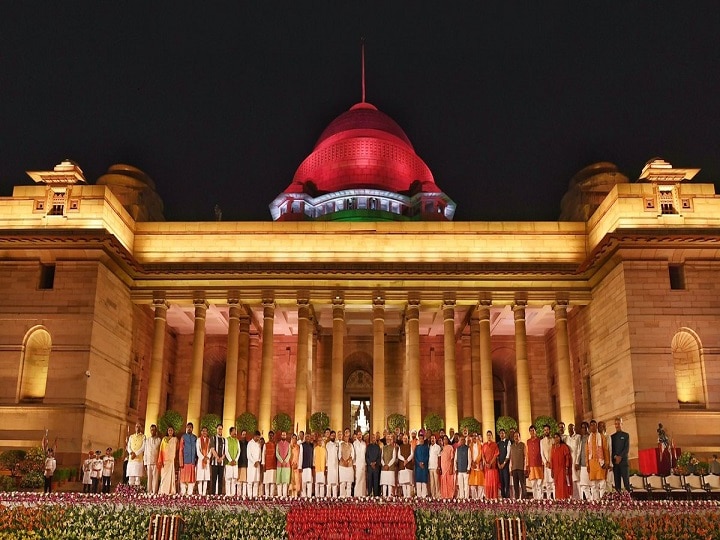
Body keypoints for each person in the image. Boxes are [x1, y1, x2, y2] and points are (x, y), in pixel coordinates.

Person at [586, 420, 609, 501]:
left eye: (594, 425)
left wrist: (606, 462)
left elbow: (605, 450)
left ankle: (603, 501)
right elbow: (587, 452)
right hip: (591, 463)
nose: (593, 426)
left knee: (602, 483)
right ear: (589, 427)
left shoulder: (602, 437)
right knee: (593, 484)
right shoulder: (588, 438)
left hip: (600, 462)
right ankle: (595, 502)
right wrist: (587, 465)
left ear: (596, 426)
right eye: (591, 425)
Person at [611, 417, 630, 492]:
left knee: (626, 482)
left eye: (619, 423)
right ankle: (618, 500)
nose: (617, 425)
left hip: (624, 462)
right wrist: (615, 457)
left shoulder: (626, 435)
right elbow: (611, 449)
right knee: (617, 482)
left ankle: (628, 499)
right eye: (616, 424)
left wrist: (620, 457)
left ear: (621, 424)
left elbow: (626, 448)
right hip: (615, 463)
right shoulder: (612, 437)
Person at [157, 426, 177, 495]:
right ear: (167, 431)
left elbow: (177, 448)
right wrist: (161, 460)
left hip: (171, 461)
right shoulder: (164, 439)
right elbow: (161, 450)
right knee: (164, 477)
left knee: (170, 477)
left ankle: (170, 491)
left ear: (173, 431)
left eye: (171, 430)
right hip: (164, 461)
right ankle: (163, 491)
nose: (170, 432)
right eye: (169, 430)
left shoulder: (175, 439)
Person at [551, 433, 572, 499]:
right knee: (557, 485)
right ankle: (558, 500)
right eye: (554, 437)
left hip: (562, 469)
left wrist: (566, 467)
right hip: (555, 470)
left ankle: (564, 500)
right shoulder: (553, 447)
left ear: (560, 438)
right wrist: (552, 470)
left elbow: (567, 458)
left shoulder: (564, 446)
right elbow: (551, 459)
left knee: (563, 485)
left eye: (557, 437)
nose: (556, 439)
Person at [179, 422, 198, 495]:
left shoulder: (194, 438)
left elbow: (196, 449)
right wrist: (181, 462)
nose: (189, 428)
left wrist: (196, 460)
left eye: (190, 427)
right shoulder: (183, 437)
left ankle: (190, 493)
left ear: (192, 429)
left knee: (191, 478)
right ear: (186, 428)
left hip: (192, 461)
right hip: (185, 460)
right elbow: (181, 449)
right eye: (188, 427)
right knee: (183, 478)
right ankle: (183, 492)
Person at [126, 422, 146, 487]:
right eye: (136, 426)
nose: (137, 428)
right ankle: (130, 494)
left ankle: (136, 494)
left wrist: (136, 454)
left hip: (138, 460)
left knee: (137, 478)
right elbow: (128, 446)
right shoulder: (131, 436)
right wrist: (131, 453)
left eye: (139, 426)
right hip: (131, 459)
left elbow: (143, 447)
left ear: (141, 428)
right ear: (135, 428)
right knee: (131, 478)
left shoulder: (143, 436)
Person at [575, 421, 591, 500]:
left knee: (592, 484)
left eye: (585, 427)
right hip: (582, 464)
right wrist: (577, 462)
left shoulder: (591, 437)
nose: (584, 429)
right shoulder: (580, 438)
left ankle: (595, 502)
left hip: (590, 464)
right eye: (582, 428)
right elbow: (578, 451)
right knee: (584, 485)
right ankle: (589, 500)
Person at [526, 426, 543, 499]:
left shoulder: (539, 440)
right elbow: (527, 453)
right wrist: (527, 465)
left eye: (533, 430)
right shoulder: (528, 441)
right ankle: (535, 498)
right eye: (530, 431)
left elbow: (541, 452)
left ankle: (540, 499)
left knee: (539, 483)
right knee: (533, 484)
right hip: (531, 465)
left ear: (535, 431)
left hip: (538, 464)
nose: (532, 432)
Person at [145, 424, 162, 494]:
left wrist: (159, 462)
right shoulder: (147, 440)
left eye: (154, 430)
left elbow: (161, 451)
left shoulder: (159, 440)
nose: (152, 431)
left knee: (155, 478)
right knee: (149, 478)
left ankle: (154, 492)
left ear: (156, 431)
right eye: (151, 430)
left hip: (156, 462)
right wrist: (145, 463)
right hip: (149, 461)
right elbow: (145, 451)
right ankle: (149, 492)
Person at [509, 431, 527, 499]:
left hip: (521, 468)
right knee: (515, 486)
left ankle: (524, 500)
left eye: (517, 436)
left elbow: (525, 457)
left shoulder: (523, 445)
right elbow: (511, 458)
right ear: (513, 438)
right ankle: (517, 500)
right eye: (515, 436)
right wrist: (510, 469)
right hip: (514, 469)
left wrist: (525, 468)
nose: (516, 437)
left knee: (523, 485)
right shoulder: (512, 446)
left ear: (520, 437)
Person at [209, 424, 226, 496]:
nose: (220, 430)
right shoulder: (213, 438)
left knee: (220, 479)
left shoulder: (224, 439)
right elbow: (212, 449)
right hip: (214, 462)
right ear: (216, 429)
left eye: (221, 429)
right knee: (214, 479)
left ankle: (219, 494)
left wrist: (221, 458)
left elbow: (225, 451)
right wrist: (217, 458)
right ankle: (212, 494)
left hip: (221, 463)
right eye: (219, 429)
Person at [483, 430, 500, 499]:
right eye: (488, 435)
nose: (489, 436)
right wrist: (486, 463)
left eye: (490, 435)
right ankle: (488, 497)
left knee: (493, 482)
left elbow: (496, 455)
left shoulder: (495, 444)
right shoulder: (484, 445)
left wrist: (490, 463)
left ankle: (494, 497)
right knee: (487, 482)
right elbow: (482, 455)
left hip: (493, 467)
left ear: (492, 436)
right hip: (486, 467)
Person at [224, 427, 240, 496]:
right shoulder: (227, 440)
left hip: (235, 463)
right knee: (228, 479)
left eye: (235, 431)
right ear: (230, 432)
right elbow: (226, 450)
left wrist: (235, 460)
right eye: (233, 431)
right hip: (229, 463)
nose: (235, 433)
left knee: (234, 479)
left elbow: (239, 451)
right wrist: (230, 460)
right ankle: (228, 494)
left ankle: (233, 494)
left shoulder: (237, 441)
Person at [566, 423, 581, 499]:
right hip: (569, 462)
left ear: (574, 429)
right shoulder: (567, 438)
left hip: (575, 461)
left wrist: (577, 462)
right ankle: (572, 497)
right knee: (570, 480)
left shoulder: (578, 437)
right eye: (569, 428)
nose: (570, 430)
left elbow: (579, 450)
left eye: (572, 428)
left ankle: (580, 498)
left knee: (577, 480)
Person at [195, 426, 211, 496]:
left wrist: (207, 457)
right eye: (203, 431)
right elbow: (198, 450)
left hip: (207, 461)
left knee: (206, 478)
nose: (204, 432)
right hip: (200, 460)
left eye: (205, 431)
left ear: (207, 432)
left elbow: (210, 450)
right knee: (200, 478)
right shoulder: (198, 440)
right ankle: (200, 493)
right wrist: (202, 458)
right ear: (201, 432)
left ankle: (204, 493)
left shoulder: (209, 440)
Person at [339, 431, 355, 498]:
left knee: (349, 482)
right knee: (343, 482)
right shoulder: (341, 445)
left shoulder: (351, 445)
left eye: (347, 437)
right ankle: (342, 496)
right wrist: (344, 461)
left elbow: (353, 455)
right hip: (342, 465)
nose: (346, 438)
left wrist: (348, 461)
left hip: (349, 465)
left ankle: (348, 496)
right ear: (343, 437)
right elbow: (339, 455)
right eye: (345, 437)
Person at [275, 431, 292, 497]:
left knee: (285, 482)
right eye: (282, 435)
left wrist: (285, 461)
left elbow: (289, 453)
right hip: (280, 465)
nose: (284, 436)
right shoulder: (278, 444)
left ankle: (284, 497)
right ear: (281, 436)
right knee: (279, 481)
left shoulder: (288, 444)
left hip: (286, 466)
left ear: (286, 436)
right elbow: (277, 453)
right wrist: (282, 461)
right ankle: (279, 496)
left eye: (285, 435)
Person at [469, 432, 485, 500]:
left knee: (480, 484)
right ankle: (474, 499)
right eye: (473, 436)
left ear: (478, 437)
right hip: (472, 466)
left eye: (475, 436)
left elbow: (481, 454)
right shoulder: (470, 445)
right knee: (472, 485)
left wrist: (476, 462)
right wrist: (472, 462)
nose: (474, 437)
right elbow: (469, 455)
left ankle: (480, 499)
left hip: (479, 465)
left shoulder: (481, 445)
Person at [540, 424, 554, 499]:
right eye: (545, 430)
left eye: (547, 430)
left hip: (553, 464)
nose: (546, 431)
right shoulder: (541, 441)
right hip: (546, 465)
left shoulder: (553, 440)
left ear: (549, 430)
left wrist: (552, 462)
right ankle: (549, 500)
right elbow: (541, 453)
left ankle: (555, 499)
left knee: (554, 483)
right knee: (548, 483)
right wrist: (546, 462)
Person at [246, 430, 262, 498]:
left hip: (257, 464)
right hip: (251, 464)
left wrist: (258, 461)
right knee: (250, 481)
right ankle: (250, 496)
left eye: (259, 437)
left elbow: (260, 455)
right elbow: (248, 455)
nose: (258, 438)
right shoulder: (250, 443)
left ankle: (255, 495)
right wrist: (254, 462)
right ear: (254, 436)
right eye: (257, 437)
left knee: (256, 481)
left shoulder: (259, 444)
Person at [398, 433, 414, 498]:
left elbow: (412, 454)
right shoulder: (400, 446)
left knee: (408, 483)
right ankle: (405, 496)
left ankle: (409, 496)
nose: (405, 440)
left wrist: (407, 460)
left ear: (408, 439)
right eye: (404, 438)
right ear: (402, 439)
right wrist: (404, 460)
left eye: (406, 438)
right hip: (402, 466)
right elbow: (398, 455)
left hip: (409, 466)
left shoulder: (410, 446)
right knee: (403, 483)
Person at [366, 432, 382, 496]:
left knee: (376, 482)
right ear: (371, 439)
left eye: (374, 438)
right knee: (370, 482)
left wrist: (375, 463)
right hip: (370, 467)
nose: (373, 439)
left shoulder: (378, 447)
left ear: (376, 439)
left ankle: (376, 496)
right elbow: (366, 456)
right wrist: (370, 463)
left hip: (376, 467)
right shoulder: (368, 447)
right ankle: (369, 495)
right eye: (372, 438)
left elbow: (379, 456)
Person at [454, 434, 470, 499]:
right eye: (461, 440)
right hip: (459, 470)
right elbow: (455, 460)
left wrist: (468, 468)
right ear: (459, 441)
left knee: (466, 485)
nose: (462, 441)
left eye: (463, 440)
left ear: (465, 441)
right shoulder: (457, 449)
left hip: (466, 470)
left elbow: (469, 459)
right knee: (460, 485)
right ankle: (461, 497)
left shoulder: (467, 448)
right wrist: (455, 468)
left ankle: (466, 497)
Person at [497, 429, 511, 498]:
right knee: (501, 482)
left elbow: (508, 454)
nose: (501, 434)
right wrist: (498, 464)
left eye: (503, 433)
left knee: (506, 481)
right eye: (500, 433)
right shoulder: (498, 443)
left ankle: (507, 497)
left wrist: (504, 463)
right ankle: (503, 496)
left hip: (506, 465)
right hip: (500, 466)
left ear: (505, 434)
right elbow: (497, 454)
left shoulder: (508, 442)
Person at [262, 430, 277, 497]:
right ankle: (267, 495)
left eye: (272, 435)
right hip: (267, 465)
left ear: (273, 436)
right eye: (269, 435)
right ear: (268, 436)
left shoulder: (275, 444)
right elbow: (263, 455)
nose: (271, 437)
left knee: (273, 482)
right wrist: (263, 464)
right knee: (267, 482)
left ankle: (271, 495)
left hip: (274, 465)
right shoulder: (265, 445)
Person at [353, 431, 367, 497]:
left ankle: (363, 494)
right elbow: (353, 454)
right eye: (358, 435)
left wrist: (366, 464)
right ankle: (357, 495)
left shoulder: (364, 444)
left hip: (363, 463)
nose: (359, 436)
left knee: (363, 479)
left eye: (361, 434)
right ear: (356, 435)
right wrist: (354, 464)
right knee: (358, 479)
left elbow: (365, 454)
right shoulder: (354, 443)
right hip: (357, 464)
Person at [325, 430, 339, 497]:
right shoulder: (327, 444)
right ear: (330, 436)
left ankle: (335, 496)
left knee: (335, 482)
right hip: (329, 465)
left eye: (334, 435)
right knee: (329, 481)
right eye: (332, 435)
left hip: (336, 465)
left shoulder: (337, 444)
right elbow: (326, 455)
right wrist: (326, 465)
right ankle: (328, 496)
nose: (333, 437)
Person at [428, 433, 442, 498]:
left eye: (433, 438)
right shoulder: (429, 447)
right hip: (430, 467)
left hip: (436, 467)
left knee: (437, 482)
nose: (432, 440)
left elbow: (439, 457)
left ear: (435, 439)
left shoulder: (438, 447)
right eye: (431, 439)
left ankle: (438, 496)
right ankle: (433, 496)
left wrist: (438, 467)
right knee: (432, 483)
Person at [238, 429, 249, 497]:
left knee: (245, 481)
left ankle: (244, 495)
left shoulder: (248, 443)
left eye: (245, 435)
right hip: (239, 463)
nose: (244, 436)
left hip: (246, 464)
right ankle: (239, 495)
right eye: (243, 435)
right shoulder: (238, 442)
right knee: (239, 481)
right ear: (241, 435)